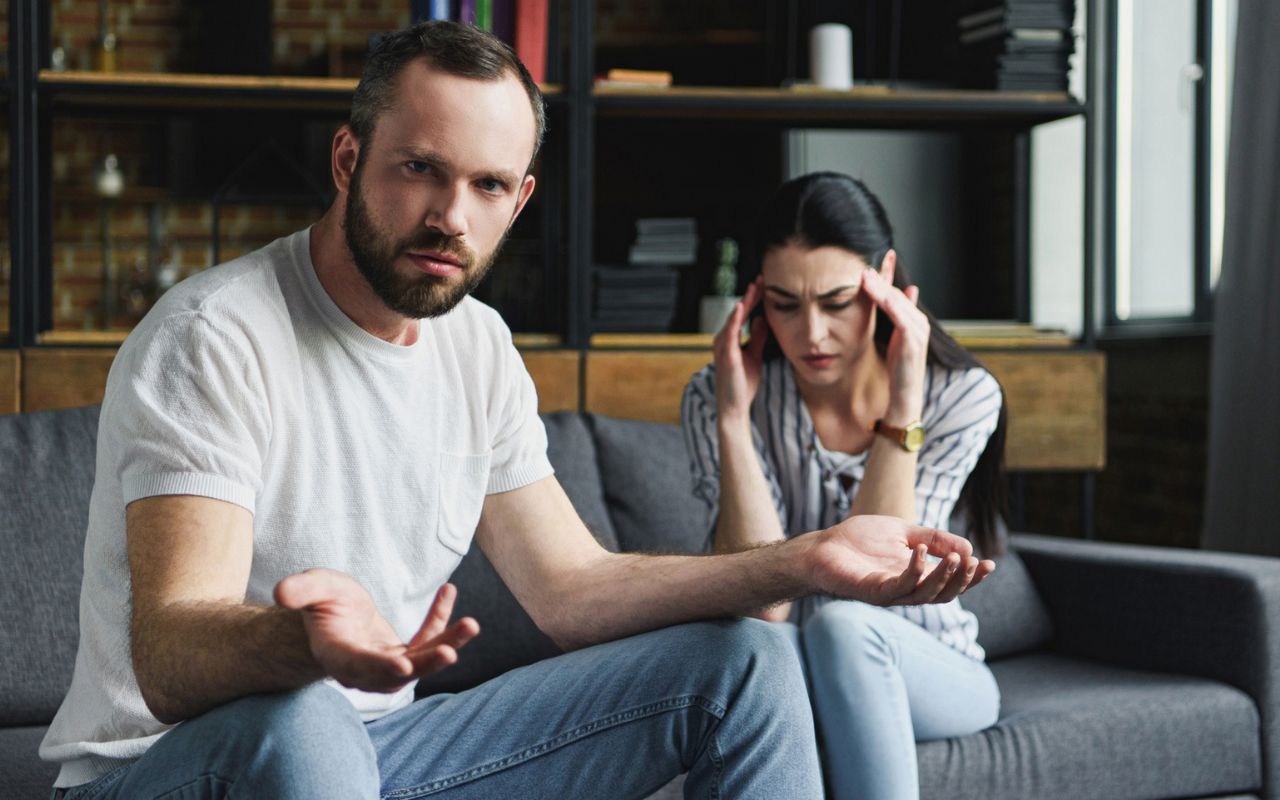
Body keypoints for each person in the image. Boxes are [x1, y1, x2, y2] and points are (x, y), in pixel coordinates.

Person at [39, 23, 993, 800]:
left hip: (387, 757)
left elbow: (572, 592)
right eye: (420, 168)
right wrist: (300, 644)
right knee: (306, 712)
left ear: (520, 197)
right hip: (170, 770)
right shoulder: (218, 333)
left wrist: (800, 560)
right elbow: (166, 655)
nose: (451, 215)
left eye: (487, 184)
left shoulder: (479, 346)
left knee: (747, 660)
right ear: (347, 158)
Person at [681, 172, 1008, 800]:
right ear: (754, 300)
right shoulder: (716, 396)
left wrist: (905, 400)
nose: (812, 334)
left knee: (843, 628)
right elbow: (761, 607)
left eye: (837, 302)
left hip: (930, 668)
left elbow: (880, 579)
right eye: (784, 304)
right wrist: (732, 418)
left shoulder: (961, 396)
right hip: (789, 666)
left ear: (883, 278)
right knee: (759, 651)